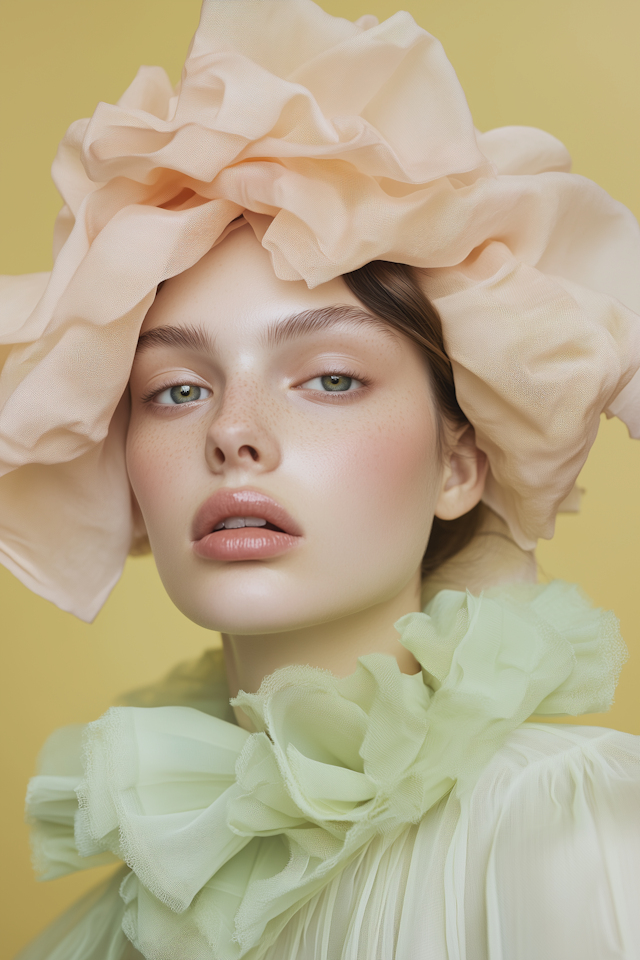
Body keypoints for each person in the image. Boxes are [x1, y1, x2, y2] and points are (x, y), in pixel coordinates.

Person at [2, 1, 640, 957]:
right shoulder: (153, 877)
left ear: (459, 463)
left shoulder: (561, 816)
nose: (234, 435)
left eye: (332, 378)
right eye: (176, 391)